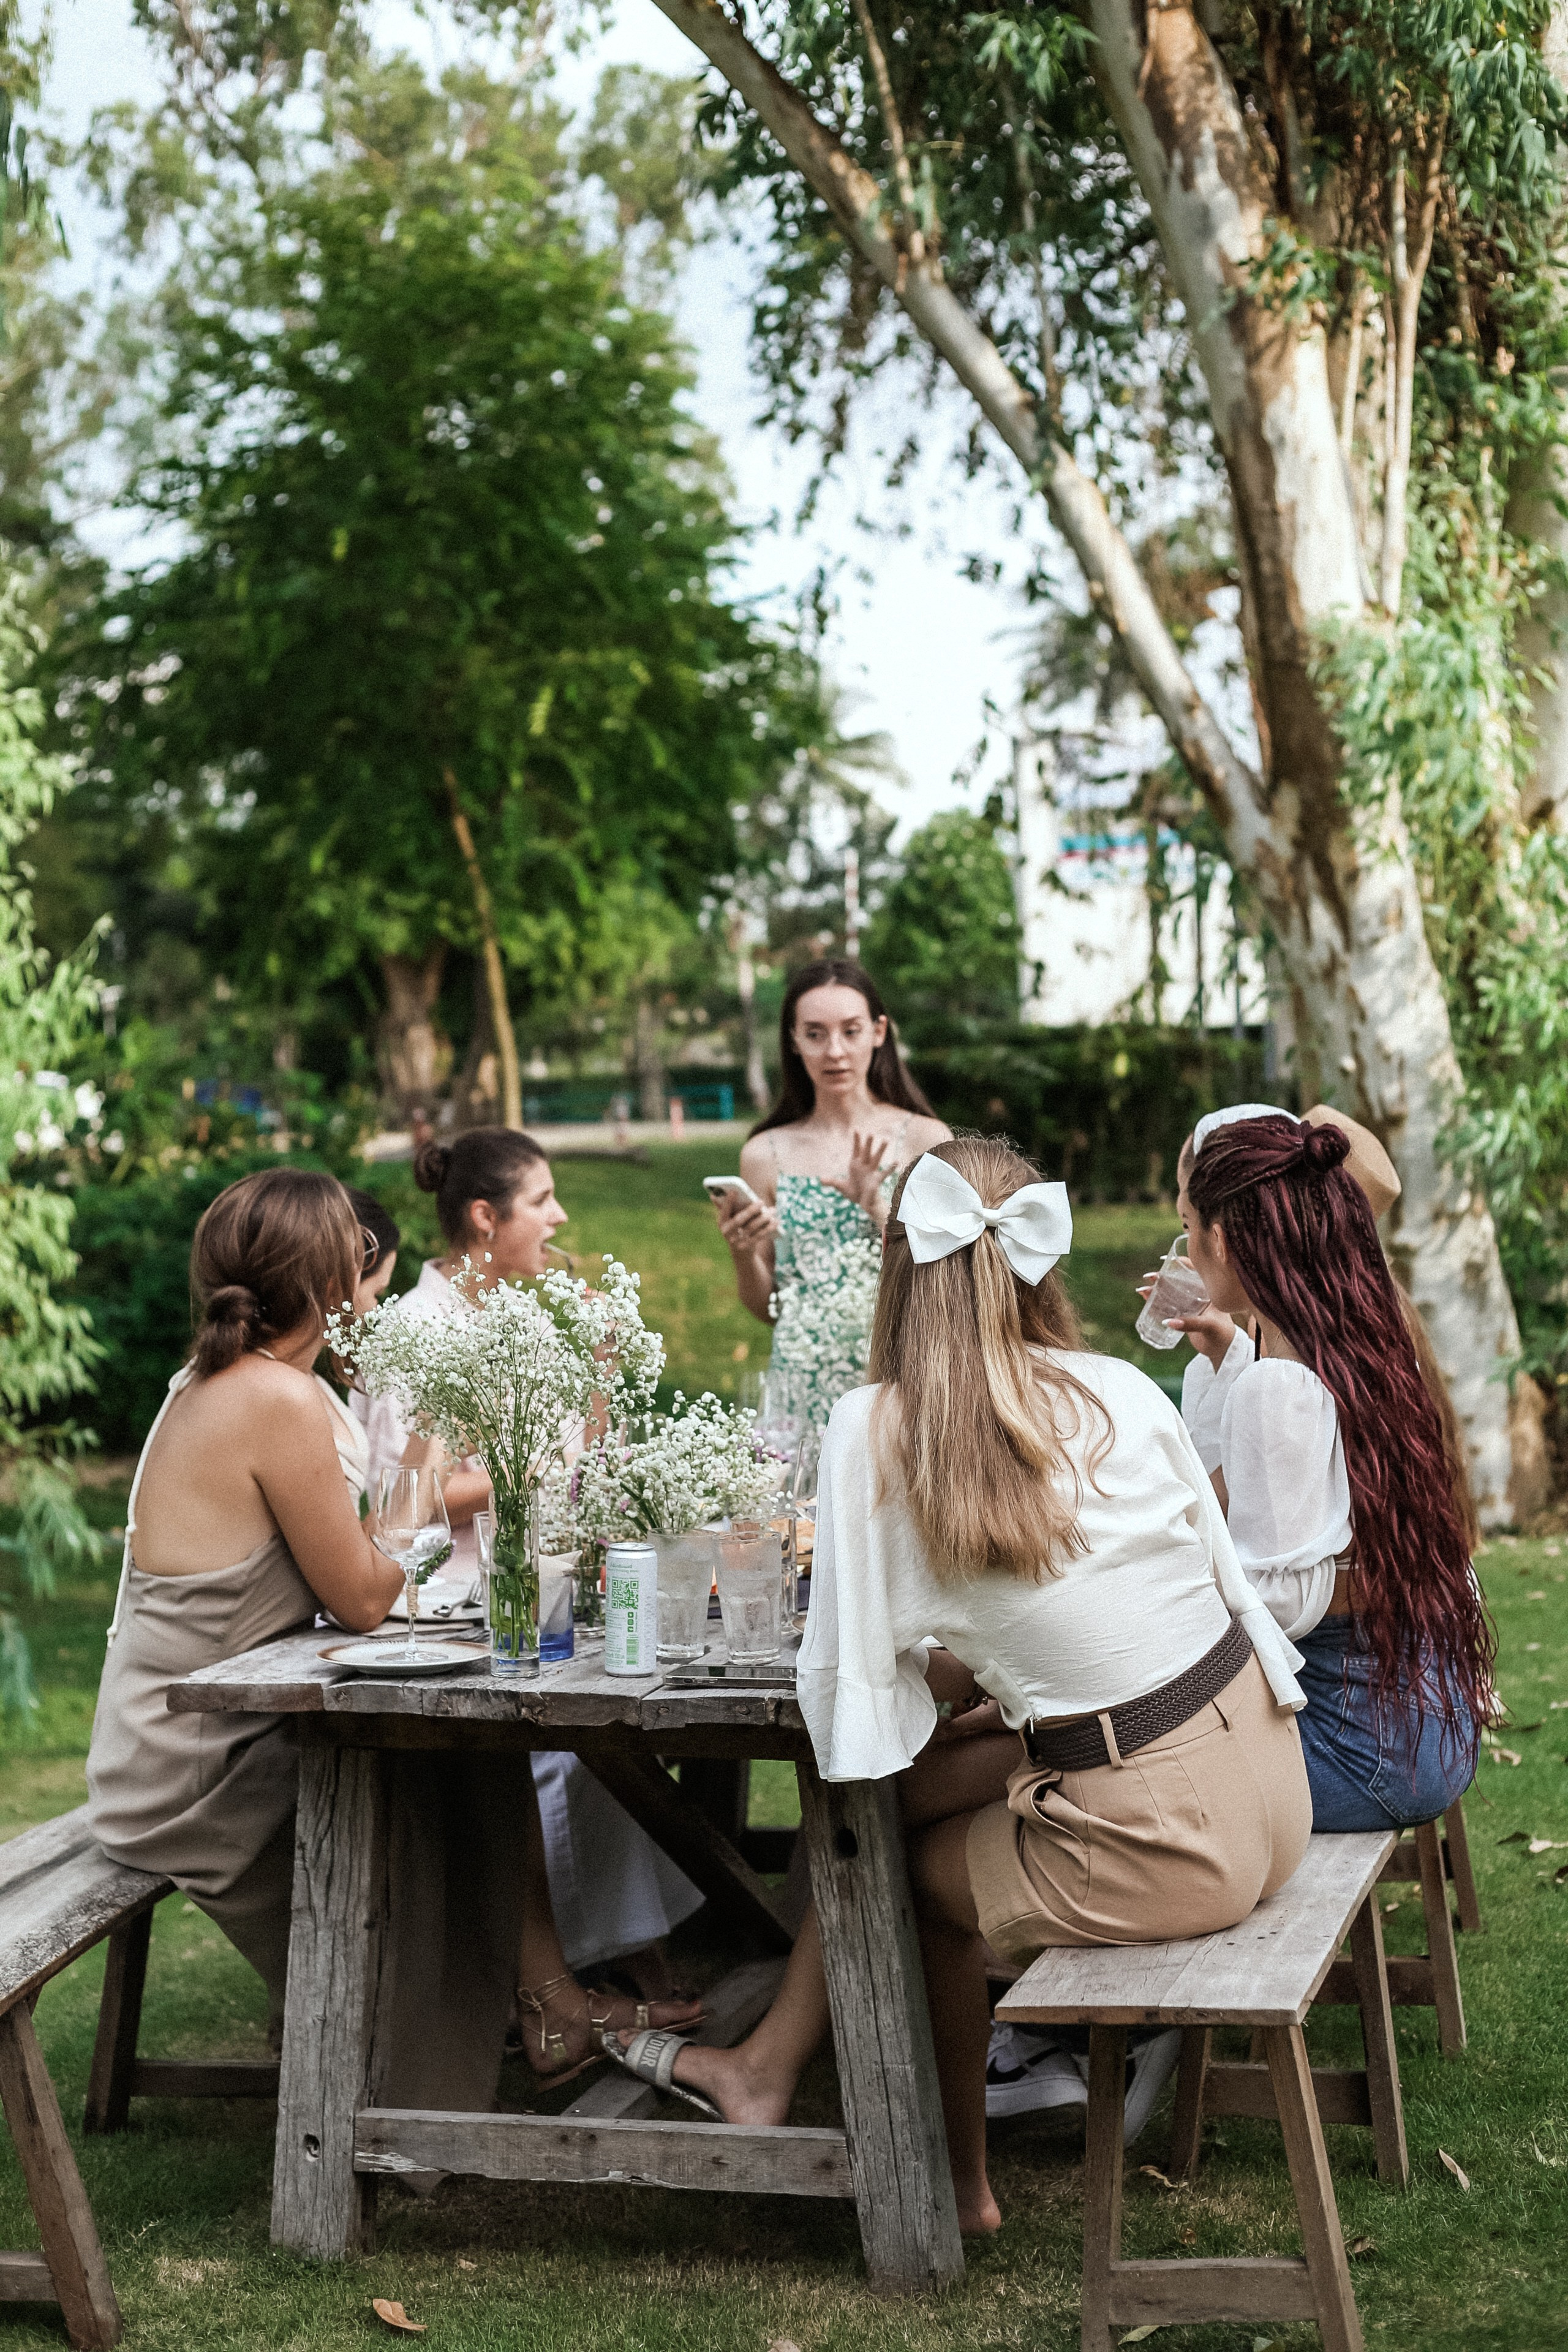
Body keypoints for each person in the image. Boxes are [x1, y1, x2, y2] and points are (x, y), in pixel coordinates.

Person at [616, 1139, 1313, 2231]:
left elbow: (859, 1701)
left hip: (1175, 1837)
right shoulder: (1120, 1385)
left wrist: (951, 1673)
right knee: (904, 1798)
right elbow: (1195, 1591)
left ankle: (958, 2185)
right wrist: (989, 1668)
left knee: (900, 1856)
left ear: (898, 1265)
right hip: (1271, 1775)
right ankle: (770, 2065)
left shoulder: (876, 1427)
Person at [85, 1166, 696, 2104]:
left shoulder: (245, 1383)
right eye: (360, 1268)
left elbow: (354, 1568)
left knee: (476, 1761)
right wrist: (434, 1437)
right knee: (442, 1773)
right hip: (192, 1763)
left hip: (198, 1728)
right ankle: (443, 2061)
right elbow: (369, 1597)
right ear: (335, 1282)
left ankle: (541, 2005)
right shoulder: (272, 1399)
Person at [358, 1126, 704, 1994]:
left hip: (538, 1580)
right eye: (542, 1200)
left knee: (639, 1695)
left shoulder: (518, 1310)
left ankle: (624, 1956)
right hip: (448, 1601)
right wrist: (523, 1471)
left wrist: (598, 1369)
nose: (559, 1216)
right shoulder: (418, 1330)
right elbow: (399, 1503)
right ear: (485, 1216)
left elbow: (578, 1458)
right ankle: (598, 1974)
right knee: (587, 1735)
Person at [1177, 1113, 1489, 1831]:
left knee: (1107, 1788)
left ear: (1222, 1239)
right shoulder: (1364, 1339)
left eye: (1188, 1226)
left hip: (1356, 1749)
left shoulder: (1275, 1388)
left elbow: (1279, 1610)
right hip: (1428, 1725)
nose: (1186, 1252)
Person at [712, 959, 951, 1433]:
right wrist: (743, 1253)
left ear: (879, 1032)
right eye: (816, 1034)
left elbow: (952, 1279)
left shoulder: (925, 1139)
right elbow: (768, 1309)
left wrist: (878, 1208)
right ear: (794, 1041)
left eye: (851, 1030)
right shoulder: (765, 1153)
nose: (834, 1051)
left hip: (901, 1379)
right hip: (800, 1393)